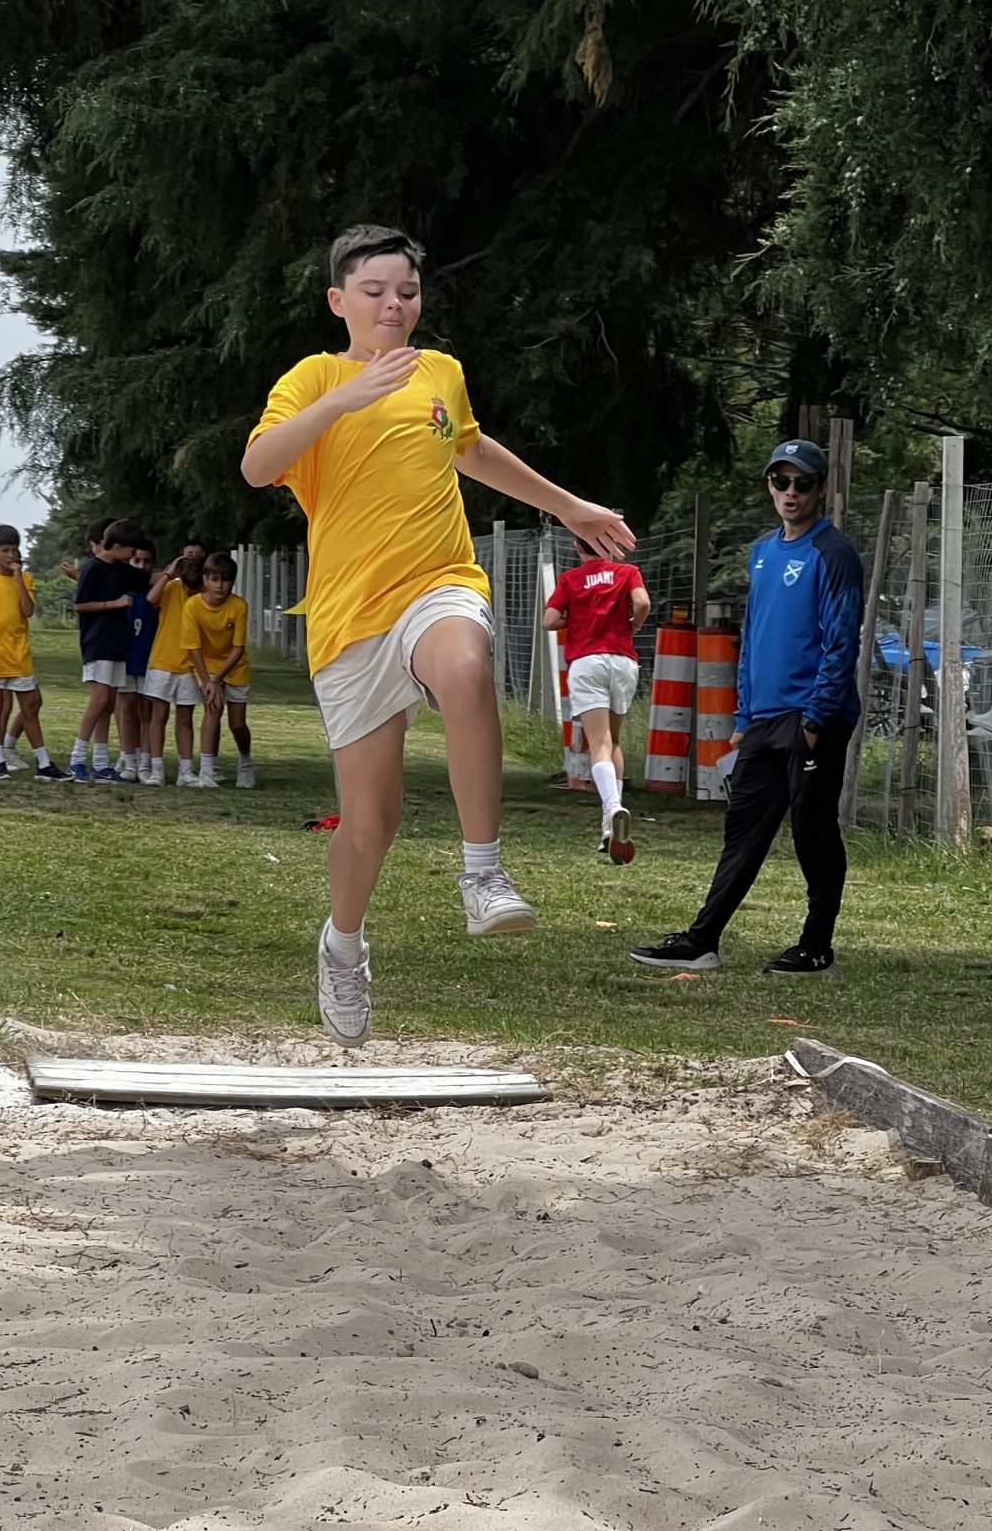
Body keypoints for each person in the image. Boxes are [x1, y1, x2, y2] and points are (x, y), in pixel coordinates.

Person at [242, 221, 631, 1048]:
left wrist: (568, 506)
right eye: (375, 292)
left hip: (439, 580)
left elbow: (471, 450)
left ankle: (482, 873)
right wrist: (343, 398)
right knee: (369, 825)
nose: (394, 305)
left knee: (465, 665)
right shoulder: (313, 377)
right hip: (350, 617)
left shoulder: (441, 373)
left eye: (408, 292)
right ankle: (342, 944)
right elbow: (258, 465)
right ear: (339, 300)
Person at [630, 439, 863, 976]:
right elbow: (754, 636)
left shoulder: (834, 553)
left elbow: (841, 641)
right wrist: (742, 718)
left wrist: (815, 720)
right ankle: (702, 941)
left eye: (801, 483)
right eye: (781, 481)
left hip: (813, 717)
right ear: (770, 486)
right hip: (763, 720)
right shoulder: (762, 552)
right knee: (744, 829)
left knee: (812, 830)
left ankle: (816, 947)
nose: (790, 492)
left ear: (820, 488)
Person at [543, 542, 651, 861]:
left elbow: (549, 620)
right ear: (610, 546)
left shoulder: (571, 579)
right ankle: (609, 824)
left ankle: (612, 807)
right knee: (614, 740)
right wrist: (634, 624)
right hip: (622, 660)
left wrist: (574, 620)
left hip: (587, 661)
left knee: (598, 743)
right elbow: (642, 602)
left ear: (578, 547)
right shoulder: (627, 572)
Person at [0, 526, 66, 781]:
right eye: (5, 550)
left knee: (30, 706)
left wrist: (18, 579)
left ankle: (44, 764)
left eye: (14, 550)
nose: (11, 555)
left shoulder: (26, 579)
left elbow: (28, 611)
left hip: (18, 654)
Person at [70, 519, 138, 782]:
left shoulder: (121, 570)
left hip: (116, 644)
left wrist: (171, 574)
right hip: (97, 643)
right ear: (117, 546)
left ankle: (101, 763)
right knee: (98, 700)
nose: (133, 555)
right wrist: (113, 604)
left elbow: (146, 580)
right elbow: (80, 605)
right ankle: (76, 760)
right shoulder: (93, 568)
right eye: (130, 550)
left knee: (108, 703)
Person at [182, 553, 255, 790]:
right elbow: (193, 647)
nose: (220, 586)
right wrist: (208, 682)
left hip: (234, 667)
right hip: (206, 667)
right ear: (205, 580)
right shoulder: (193, 606)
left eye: (225, 580)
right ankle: (207, 770)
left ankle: (245, 762)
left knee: (237, 724)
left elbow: (238, 648)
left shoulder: (238, 606)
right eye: (214, 579)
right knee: (212, 710)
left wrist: (217, 679)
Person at [142, 539, 208, 785]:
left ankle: (185, 770)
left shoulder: (205, 593)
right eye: (187, 554)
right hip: (163, 661)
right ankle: (156, 769)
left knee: (185, 718)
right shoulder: (171, 586)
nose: (192, 557)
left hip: (190, 665)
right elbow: (151, 599)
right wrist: (170, 572)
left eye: (197, 554)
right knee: (158, 716)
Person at [116, 533, 160, 783]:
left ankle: (145, 762)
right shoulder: (120, 591)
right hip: (125, 659)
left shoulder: (158, 593)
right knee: (126, 711)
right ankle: (128, 759)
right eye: (137, 561)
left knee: (147, 712)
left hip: (149, 660)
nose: (142, 566)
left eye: (147, 561)